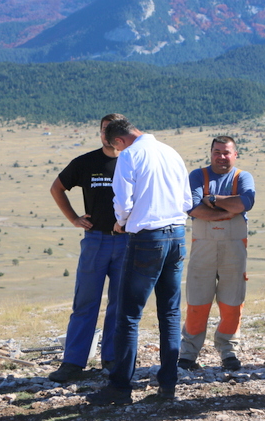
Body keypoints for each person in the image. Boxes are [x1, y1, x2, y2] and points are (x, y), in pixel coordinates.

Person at [87, 119, 192, 405]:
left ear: (118, 141)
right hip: (177, 234)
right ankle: (167, 385)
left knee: (128, 315)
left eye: (113, 146)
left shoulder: (130, 155)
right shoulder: (171, 151)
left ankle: (120, 387)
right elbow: (186, 200)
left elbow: (122, 201)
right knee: (169, 313)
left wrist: (121, 223)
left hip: (147, 237)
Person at [48, 113, 129, 383]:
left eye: (112, 130)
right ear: (100, 133)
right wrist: (73, 218)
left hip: (127, 241)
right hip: (96, 240)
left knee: (120, 305)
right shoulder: (86, 162)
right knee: (85, 303)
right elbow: (57, 188)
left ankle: (112, 359)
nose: (108, 135)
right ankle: (73, 363)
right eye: (104, 129)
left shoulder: (135, 162)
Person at [178, 136, 255, 371]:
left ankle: (229, 350)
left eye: (226, 152)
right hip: (203, 248)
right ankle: (189, 353)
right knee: (197, 302)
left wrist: (211, 200)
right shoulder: (196, 176)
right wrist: (225, 211)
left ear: (235, 154)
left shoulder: (243, 177)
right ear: (211, 153)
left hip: (234, 247)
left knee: (233, 301)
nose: (221, 157)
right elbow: (192, 207)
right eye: (217, 152)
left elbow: (245, 203)